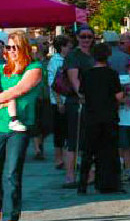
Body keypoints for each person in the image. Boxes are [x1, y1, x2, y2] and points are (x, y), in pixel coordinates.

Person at [0, 32, 45, 221]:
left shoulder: (34, 68)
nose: (11, 51)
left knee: (13, 172)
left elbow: (18, 90)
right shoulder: (0, 69)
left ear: (24, 48)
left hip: (18, 126)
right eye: (8, 47)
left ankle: (11, 215)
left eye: (15, 47)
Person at [77, 42, 124, 195]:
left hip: (91, 116)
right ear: (108, 56)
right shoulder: (112, 74)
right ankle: (112, 183)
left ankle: (82, 184)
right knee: (110, 151)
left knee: (88, 152)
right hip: (109, 116)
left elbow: (82, 94)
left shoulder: (87, 74)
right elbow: (119, 96)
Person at [63, 26, 98, 187]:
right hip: (76, 101)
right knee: (74, 140)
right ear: (77, 38)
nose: (86, 40)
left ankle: (90, 173)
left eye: (89, 37)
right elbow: (74, 79)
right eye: (83, 36)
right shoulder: (73, 56)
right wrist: (81, 95)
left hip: (93, 101)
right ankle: (70, 176)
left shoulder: (94, 54)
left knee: (89, 139)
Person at [46, 34, 73, 171]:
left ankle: (68, 158)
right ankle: (59, 158)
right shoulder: (55, 61)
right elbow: (53, 84)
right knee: (59, 131)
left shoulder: (69, 59)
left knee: (69, 131)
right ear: (62, 47)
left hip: (69, 99)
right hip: (58, 101)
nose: (71, 48)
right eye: (69, 46)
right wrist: (59, 102)